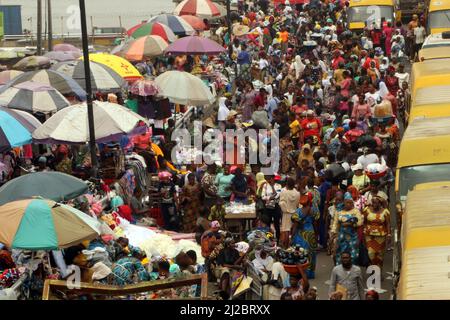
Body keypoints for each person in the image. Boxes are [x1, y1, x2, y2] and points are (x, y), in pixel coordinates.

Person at [331, 193, 364, 265]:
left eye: (350, 202)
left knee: (354, 256)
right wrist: (333, 234)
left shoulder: (356, 211)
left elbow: (359, 223)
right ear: (344, 202)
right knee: (341, 254)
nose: (349, 204)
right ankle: (342, 273)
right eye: (347, 202)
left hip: (353, 237)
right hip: (341, 237)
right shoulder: (339, 211)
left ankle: (352, 272)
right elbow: (335, 224)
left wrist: (349, 224)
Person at [291, 196, 318, 279]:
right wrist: (316, 235)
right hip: (311, 233)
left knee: (301, 253)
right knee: (311, 253)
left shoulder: (298, 212)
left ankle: (302, 273)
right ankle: (310, 273)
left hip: (301, 234)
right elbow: (315, 223)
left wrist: (291, 237)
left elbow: (295, 226)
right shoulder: (313, 210)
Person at [363, 196, 391, 268]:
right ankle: (372, 271)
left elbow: (388, 224)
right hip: (369, 236)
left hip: (380, 237)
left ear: (380, 203)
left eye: (375, 203)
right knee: (370, 253)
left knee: (379, 255)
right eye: (372, 202)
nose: (373, 204)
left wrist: (389, 234)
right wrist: (363, 233)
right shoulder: (367, 210)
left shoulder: (385, 211)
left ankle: (379, 272)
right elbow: (364, 222)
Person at [279, 178, 300, 248]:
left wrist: (284, 209)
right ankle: (292, 245)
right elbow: (298, 205)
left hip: (286, 213)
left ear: (287, 184)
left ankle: (286, 246)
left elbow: (281, 203)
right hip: (294, 213)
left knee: (286, 231)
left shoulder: (283, 192)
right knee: (293, 230)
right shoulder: (297, 193)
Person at [261, 175, 282, 241]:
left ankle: (278, 239)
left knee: (277, 225)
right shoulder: (265, 186)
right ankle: (269, 239)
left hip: (276, 207)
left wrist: (272, 187)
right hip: (267, 207)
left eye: (270, 179)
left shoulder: (278, 186)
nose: (269, 180)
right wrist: (270, 197)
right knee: (268, 224)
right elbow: (263, 196)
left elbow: (277, 195)